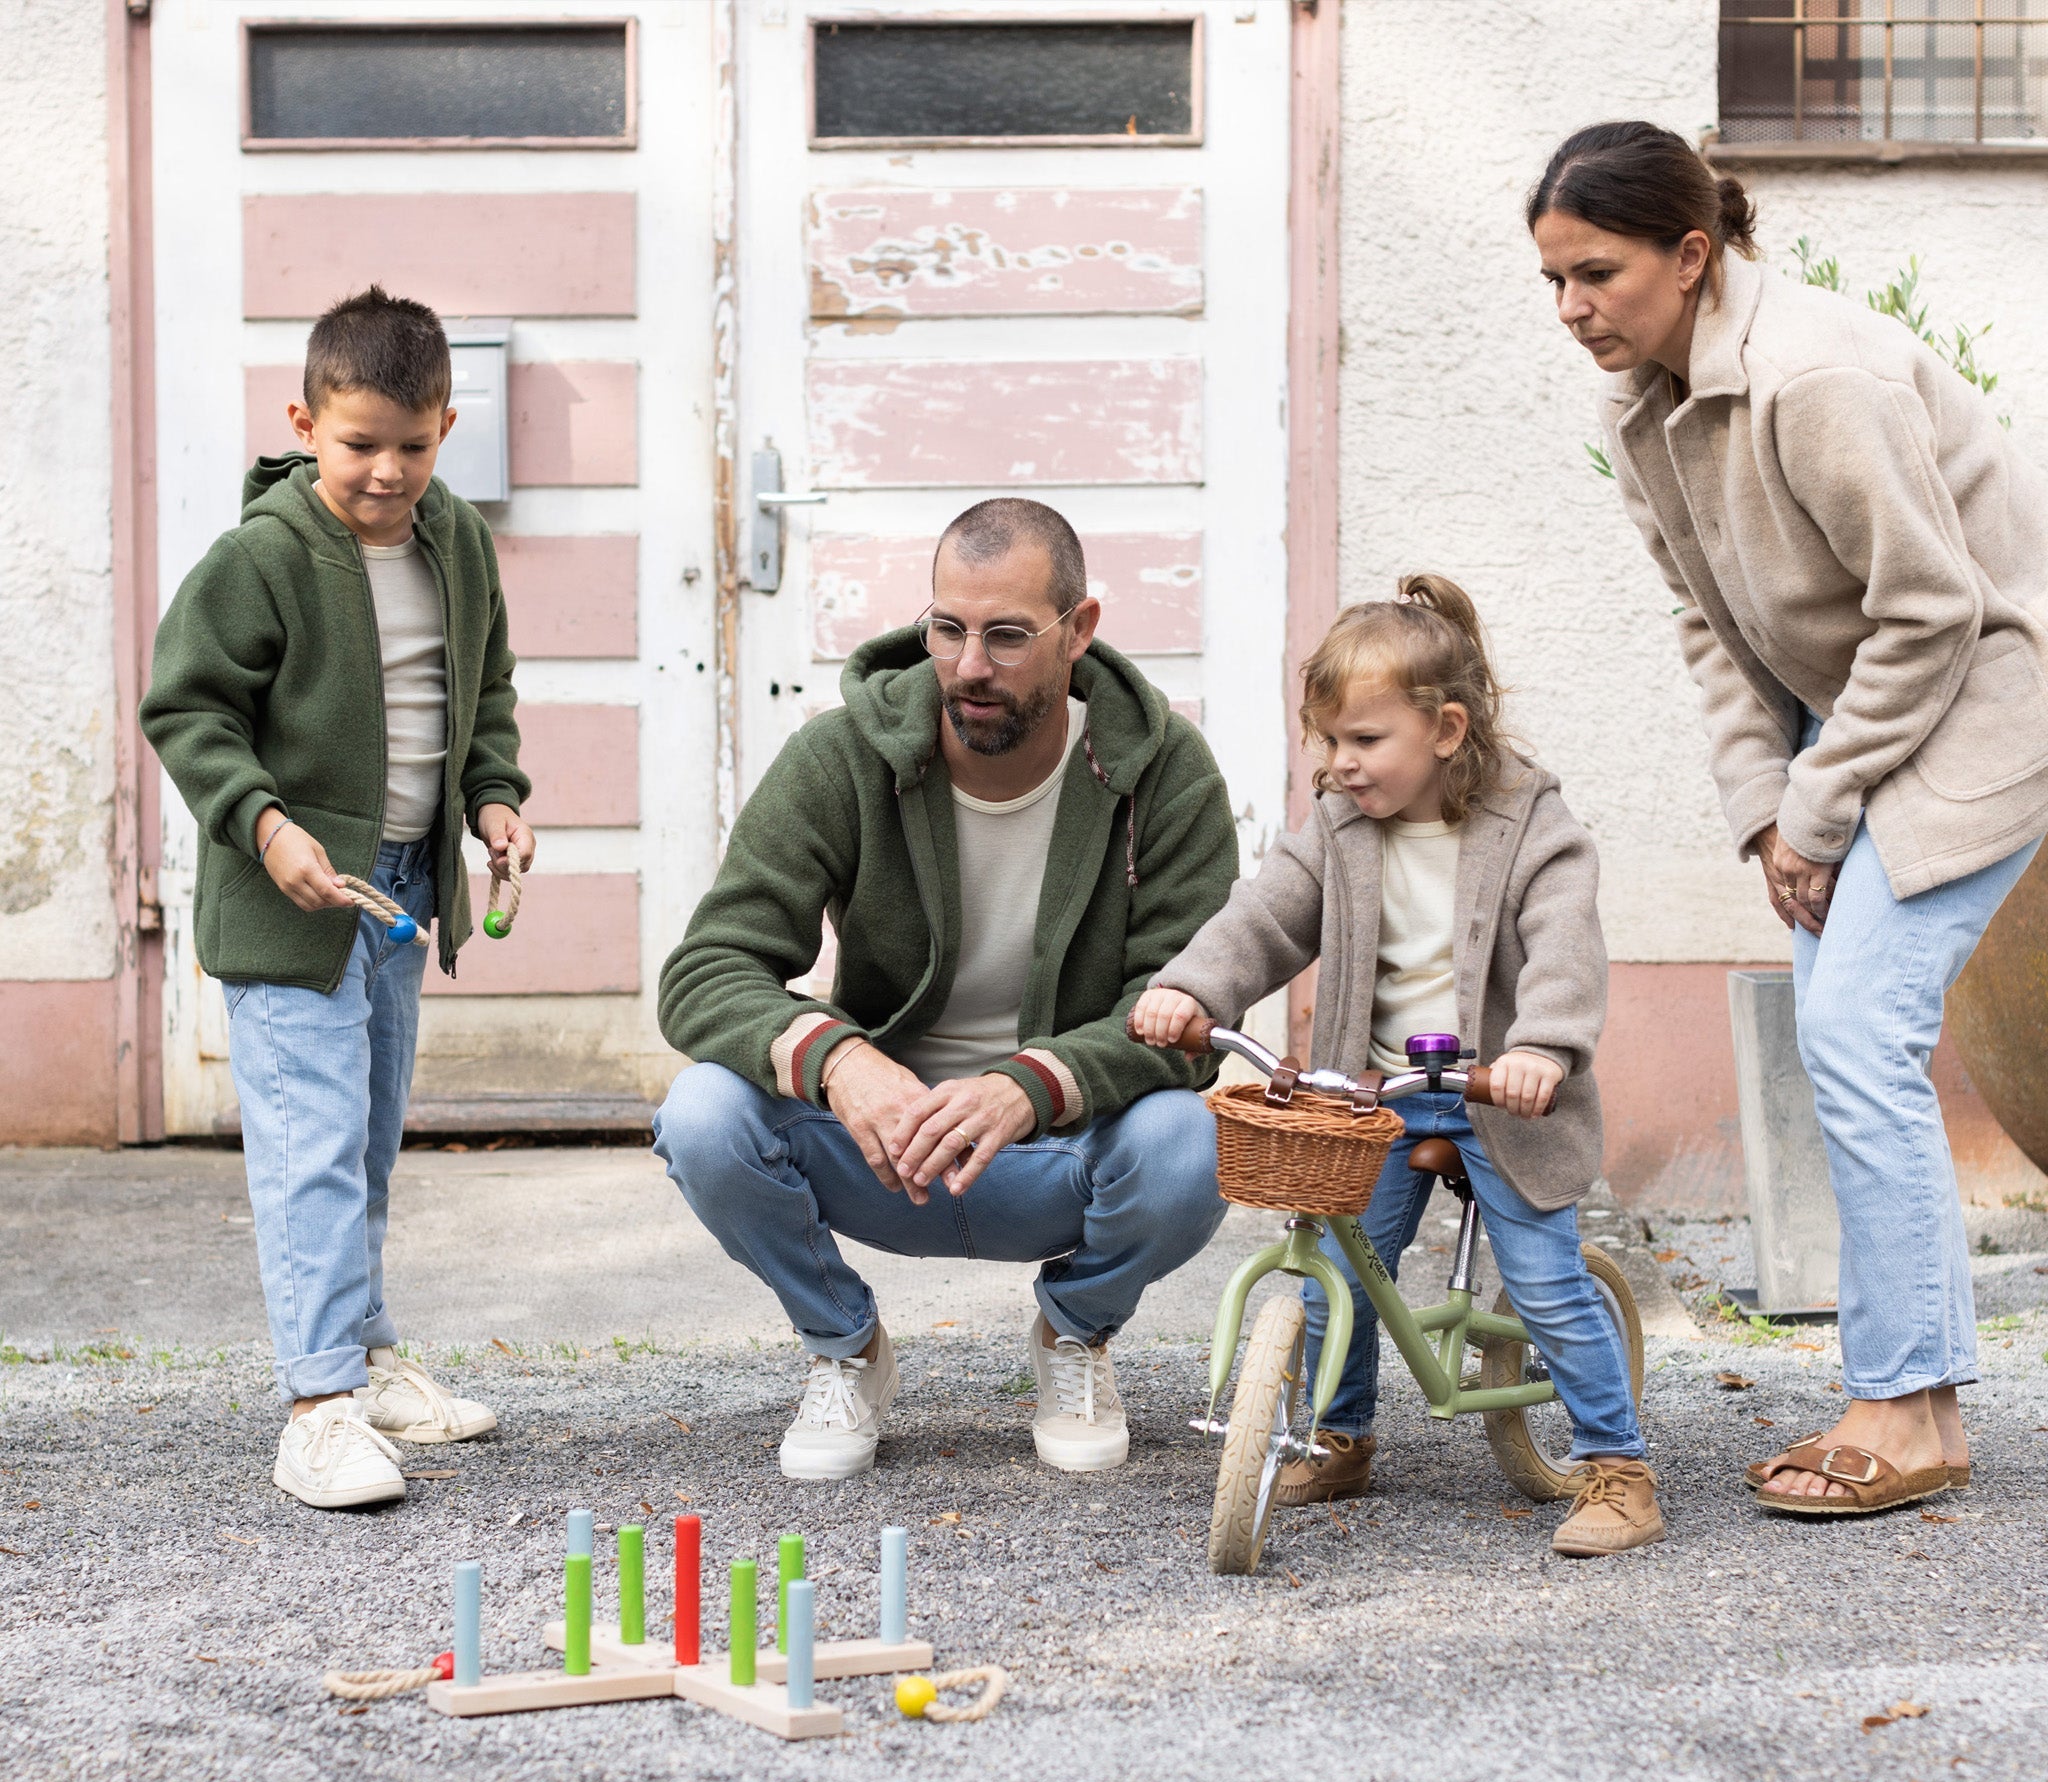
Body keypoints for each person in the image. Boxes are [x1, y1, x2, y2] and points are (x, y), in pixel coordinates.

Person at [1529, 121, 2048, 1517]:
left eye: (1598, 273)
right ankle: (1917, 1400)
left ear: (1692, 256)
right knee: (1849, 1041)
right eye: (1554, 282)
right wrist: (1767, 811)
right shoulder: (1640, 404)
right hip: (1858, 723)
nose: (1574, 308)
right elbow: (1708, 621)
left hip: (1985, 705)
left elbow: (1937, 611)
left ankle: (1903, 1405)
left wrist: (1818, 807)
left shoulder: (1818, 377)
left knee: (1854, 1029)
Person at [654, 498, 1238, 1481]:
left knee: (1194, 1140)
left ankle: (1073, 1334)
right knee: (703, 1112)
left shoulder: (1161, 770)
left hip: (1059, 1151)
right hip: (888, 1148)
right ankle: (845, 1347)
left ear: (1078, 630)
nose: (969, 663)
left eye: (1007, 634)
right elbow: (705, 971)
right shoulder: (842, 757)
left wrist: (1031, 1082)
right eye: (948, 628)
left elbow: (1193, 1009)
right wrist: (839, 1061)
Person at [1134, 577, 1660, 1556]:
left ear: (1445, 729)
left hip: (1499, 1095)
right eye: (1327, 742)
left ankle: (1617, 1467)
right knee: (1338, 1264)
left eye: (1362, 741)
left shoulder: (1529, 825)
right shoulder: (1336, 825)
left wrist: (1538, 1046)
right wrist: (1191, 989)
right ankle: (1339, 1436)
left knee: (1545, 1285)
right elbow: (1264, 915)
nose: (1337, 764)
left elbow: (1563, 945)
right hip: (1371, 1095)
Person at [142, 287, 534, 1512]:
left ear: (445, 427)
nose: (385, 470)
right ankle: (316, 1408)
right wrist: (265, 827)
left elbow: (486, 696)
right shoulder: (261, 557)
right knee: (309, 1148)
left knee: (360, 1143)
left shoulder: (456, 542)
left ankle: (363, 1356)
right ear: (305, 420)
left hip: (403, 892)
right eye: (359, 443)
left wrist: (494, 799)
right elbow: (187, 710)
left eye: (411, 446)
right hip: (289, 905)